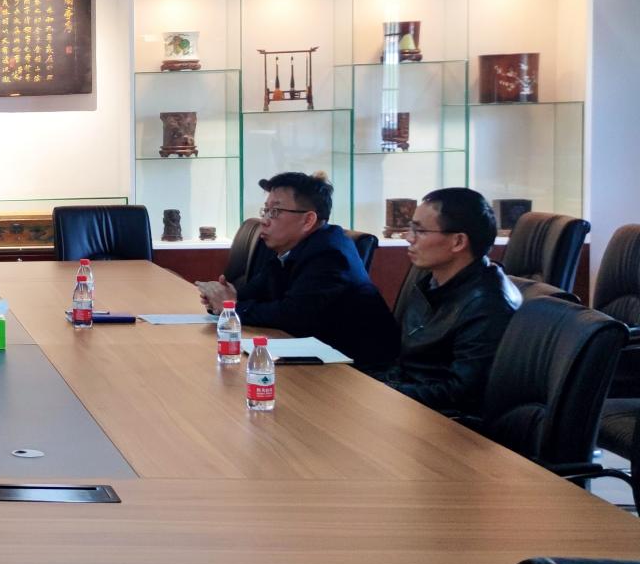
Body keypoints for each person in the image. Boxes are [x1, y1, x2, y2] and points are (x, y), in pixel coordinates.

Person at [193, 172, 398, 369]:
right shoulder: (287, 249)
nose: (265, 220)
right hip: (316, 358)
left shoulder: (330, 254)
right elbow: (250, 294)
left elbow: (292, 316)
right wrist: (222, 300)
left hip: (361, 372)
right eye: (265, 210)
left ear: (308, 220)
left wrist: (232, 308)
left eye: (275, 212)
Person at [368, 187, 521, 419]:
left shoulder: (487, 304)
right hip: (407, 403)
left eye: (420, 231)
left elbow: (461, 393)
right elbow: (405, 361)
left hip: (441, 423)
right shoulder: (432, 279)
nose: (409, 238)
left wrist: (381, 393)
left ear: (458, 241)